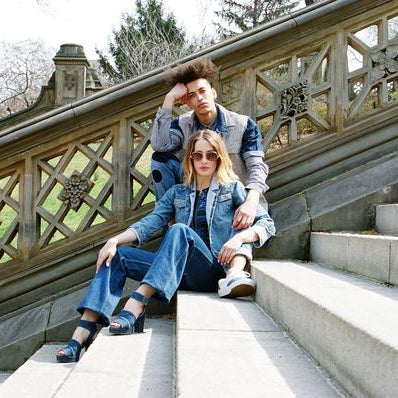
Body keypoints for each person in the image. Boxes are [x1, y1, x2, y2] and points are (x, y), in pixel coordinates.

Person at [56, 129, 275, 363]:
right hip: (175, 272)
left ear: (219, 158)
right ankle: (82, 333)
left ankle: (137, 304)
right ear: (189, 157)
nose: (203, 161)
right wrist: (114, 240)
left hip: (210, 270)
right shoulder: (177, 192)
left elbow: (267, 223)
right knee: (116, 256)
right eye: (197, 155)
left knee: (179, 230)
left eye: (210, 155)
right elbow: (150, 223)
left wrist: (238, 239)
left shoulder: (231, 189)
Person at [151, 57, 269, 231]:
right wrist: (169, 99)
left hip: (230, 201)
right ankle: (172, 225)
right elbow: (160, 145)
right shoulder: (183, 124)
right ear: (187, 102)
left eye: (202, 91)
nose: (199, 98)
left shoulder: (243, 125)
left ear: (213, 93)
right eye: (192, 95)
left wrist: (251, 202)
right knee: (159, 160)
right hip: (196, 196)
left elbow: (257, 168)